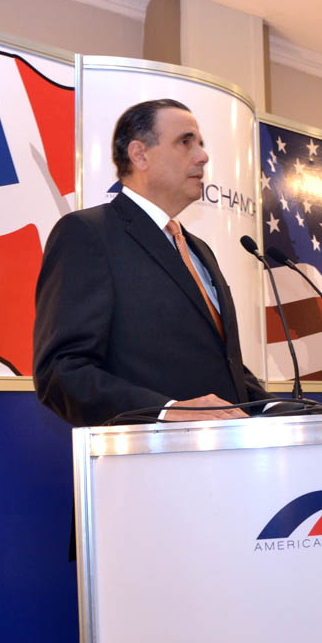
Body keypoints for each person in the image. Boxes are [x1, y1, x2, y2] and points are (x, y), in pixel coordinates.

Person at [33, 98, 271, 427]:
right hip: (152, 452)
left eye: (200, 144)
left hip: (226, 448)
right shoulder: (88, 233)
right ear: (139, 155)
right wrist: (166, 409)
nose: (203, 156)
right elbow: (62, 373)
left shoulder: (197, 248)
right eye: (185, 142)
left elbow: (222, 364)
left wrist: (277, 409)